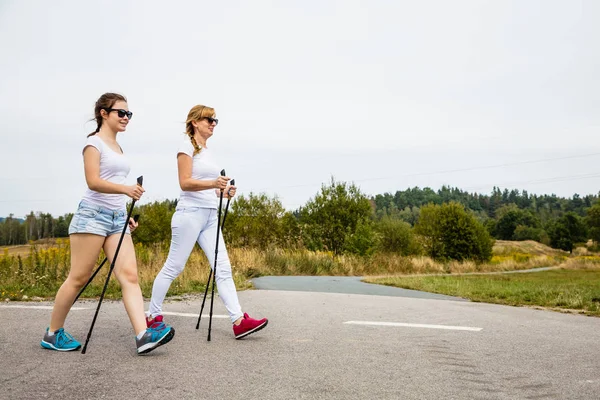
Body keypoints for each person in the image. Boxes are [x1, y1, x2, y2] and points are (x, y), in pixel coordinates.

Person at [41, 93, 175, 354]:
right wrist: (125, 190)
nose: (126, 118)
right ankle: (52, 333)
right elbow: (93, 181)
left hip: (117, 219)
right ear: (104, 113)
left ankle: (143, 335)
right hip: (91, 216)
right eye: (121, 113)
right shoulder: (94, 143)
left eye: (129, 114)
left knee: (130, 276)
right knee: (79, 278)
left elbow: (113, 186)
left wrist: (125, 216)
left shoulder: (118, 147)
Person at [146, 104, 268, 339]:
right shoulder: (186, 147)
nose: (213, 123)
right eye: (208, 119)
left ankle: (239, 321)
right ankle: (153, 315)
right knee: (174, 267)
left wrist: (224, 193)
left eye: (215, 120)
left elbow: (209, 188)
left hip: (210, 214)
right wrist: (214, 184)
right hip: (189, 214)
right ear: (194, 122)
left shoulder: (209, 151)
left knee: (223, 268)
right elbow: (185, 182)